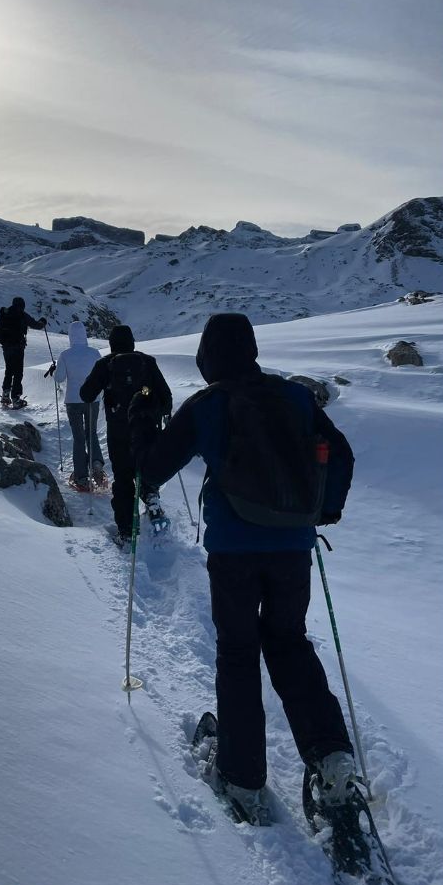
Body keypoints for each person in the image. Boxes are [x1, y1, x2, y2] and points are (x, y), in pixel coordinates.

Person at [128, 312, 356, 825]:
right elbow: (339, 452)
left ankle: (243, 777)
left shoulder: (209, 405)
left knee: (237, 652)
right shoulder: (295, 397)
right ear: (250, 349)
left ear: (209, 357)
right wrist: (325, 509)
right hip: (294, 546)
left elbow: (151, 470)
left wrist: (142, 426)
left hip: (233, 550)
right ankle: (332, 756)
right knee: (291, 643)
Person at [80, 324, 172, 547]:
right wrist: (152, 407)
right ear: (132, 342)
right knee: (145, 472)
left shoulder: (106, 364)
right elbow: (166, 398)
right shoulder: (147, 362)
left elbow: (85, 394)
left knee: (123, 480)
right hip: (147, 431)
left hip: (119, 432)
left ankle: (126, 532)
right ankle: (150, 497)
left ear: (111, 344)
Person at [47, 321, 106, 492]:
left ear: (71, 336)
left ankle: (81, 477)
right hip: (92, 400)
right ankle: (96, 465)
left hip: (73, 400)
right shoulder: (94, 353)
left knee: (79, 438)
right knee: (91, 433)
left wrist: (55, 369)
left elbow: (59, 379)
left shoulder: (65, 355)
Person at [0, 297, 47, 408]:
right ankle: (16, 398)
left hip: (6, 347)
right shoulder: (22, 314)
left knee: (9, 370)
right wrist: (43, 322)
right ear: (22, 305)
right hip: (18, 348)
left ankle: (5, 396)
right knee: (18, 373)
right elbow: (36, 325)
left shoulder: (5, 313)